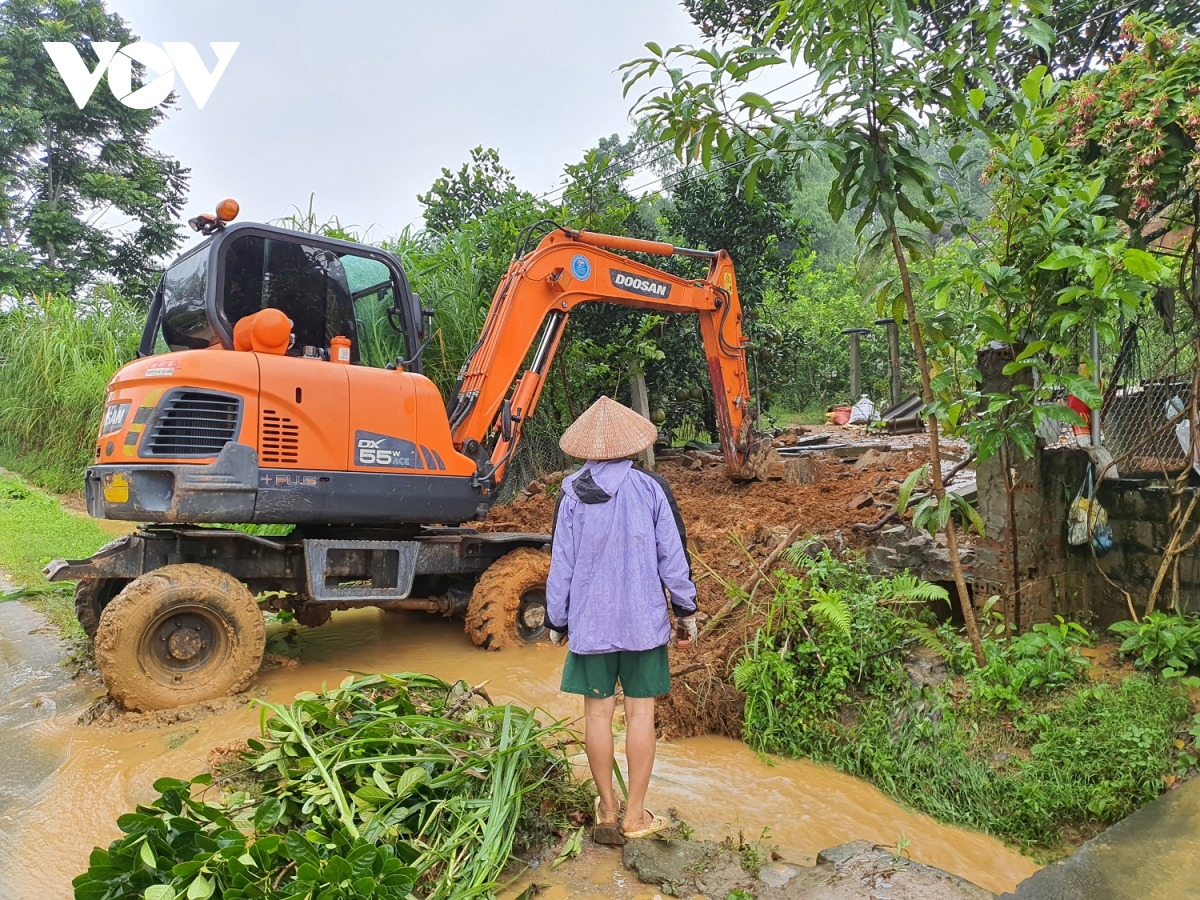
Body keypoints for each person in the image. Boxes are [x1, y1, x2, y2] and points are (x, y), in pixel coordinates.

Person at [544, 396, 698, 841]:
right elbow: (673, 557)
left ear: (587, 448)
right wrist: (685, 609)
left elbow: (562, 565)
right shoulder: (651, 488)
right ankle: (636, 817)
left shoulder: (571, 493)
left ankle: (606, 812)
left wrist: (558, 620)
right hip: (642, 623)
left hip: (591, 626)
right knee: (640, 715)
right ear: (632, 445)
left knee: (596, 715)